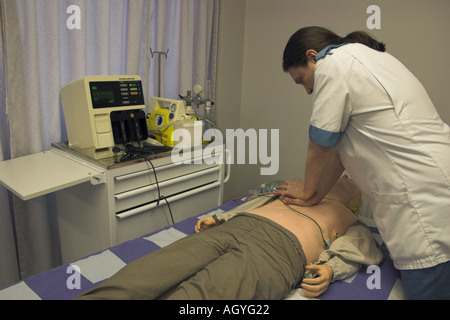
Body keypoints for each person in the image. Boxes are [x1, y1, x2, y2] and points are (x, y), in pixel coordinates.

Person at [278, 26, 450, 300]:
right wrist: (315, 195)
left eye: (301, 80)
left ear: (313, 57)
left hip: (425, 206)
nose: (308, 90)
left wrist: (307, 193)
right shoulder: (372, 59)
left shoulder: (332, 63)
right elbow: (336, 152)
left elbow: (320, 147)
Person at [76, 176, 382, 300]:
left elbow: (361, 253)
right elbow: (253, 204)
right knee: (140, 277)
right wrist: (221, 218)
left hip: (277, 254)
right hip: (234, 229)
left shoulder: (351, 219)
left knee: (196, 301)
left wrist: (331, 269)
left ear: (356, 198)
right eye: (341, 175)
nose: (343, 179)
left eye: (349, 181)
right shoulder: (298, 190)